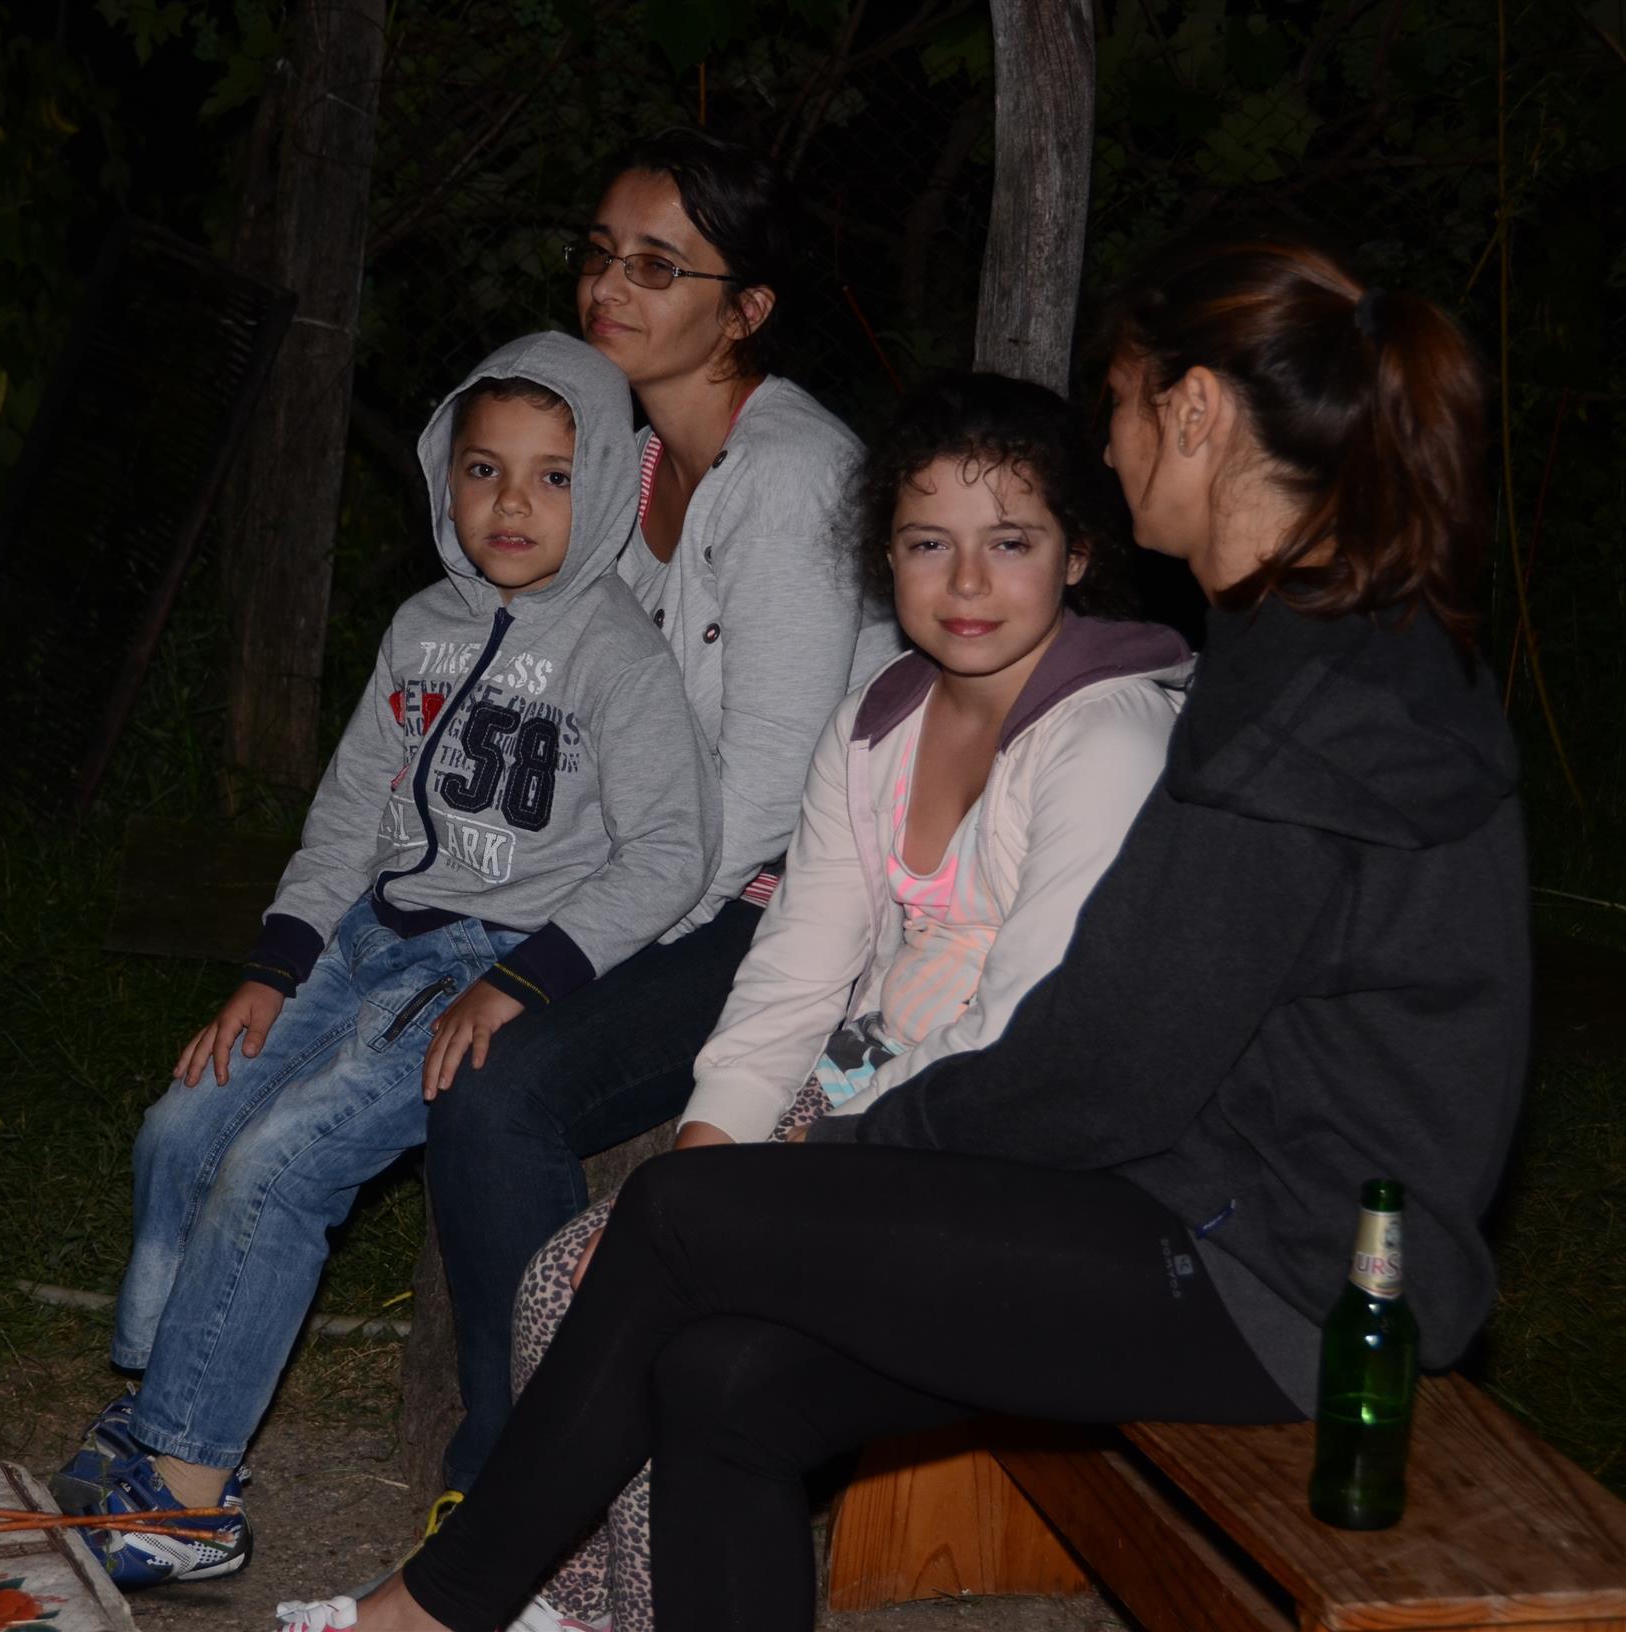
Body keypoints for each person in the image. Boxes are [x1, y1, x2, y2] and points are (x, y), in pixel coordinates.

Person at [278, 234, 1531, 1632]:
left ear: (1192, 413)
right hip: (1198, 1210)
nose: (1109, 448)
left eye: (1119, 407)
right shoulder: (1316, 647)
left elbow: (1107, 1070)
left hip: (1283, 1283)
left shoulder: (1317, 708)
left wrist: (844, 1157)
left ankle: (440, 1607)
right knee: (723, 1382)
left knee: (686, 1217)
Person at [502, 370, 1192, 1632]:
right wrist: (698, 1172)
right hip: (854, 1104)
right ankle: (585, 1608)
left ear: (1079, 554)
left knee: (691, 1336)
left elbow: (1022, 1040)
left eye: (1010, 542)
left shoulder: (1110, 741)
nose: (966, 582)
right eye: (928, 543)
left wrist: (768, 1198)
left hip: (1013, 1158)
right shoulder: (878, 725)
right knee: (570, 1277)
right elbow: (797, 972)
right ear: (887, 556)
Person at [50, 330, 719, 1589]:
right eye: (483, 468)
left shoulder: (617, 656)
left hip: (479, 972)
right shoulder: (417, 629)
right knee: (184, 1123)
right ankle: (156, 1406)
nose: (512, 503)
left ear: (604, 488)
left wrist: (524, 981)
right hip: (362, 940)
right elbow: (351, 812)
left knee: (276, 1167)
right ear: (440, 475)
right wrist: (272, 968)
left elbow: (673, 853)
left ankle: (188, 1500)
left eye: (552, 475)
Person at [424, 127, 899, 1508]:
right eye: (598, 255)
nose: (606, 290)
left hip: (792, 904)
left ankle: (524, 1486)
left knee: (500, 1089)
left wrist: (565, 951)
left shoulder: (792, 477)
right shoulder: (625, 461)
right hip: (664, 873)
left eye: (655, 267)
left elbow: (760, 797)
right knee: (418, 1012)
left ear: (744, 310)